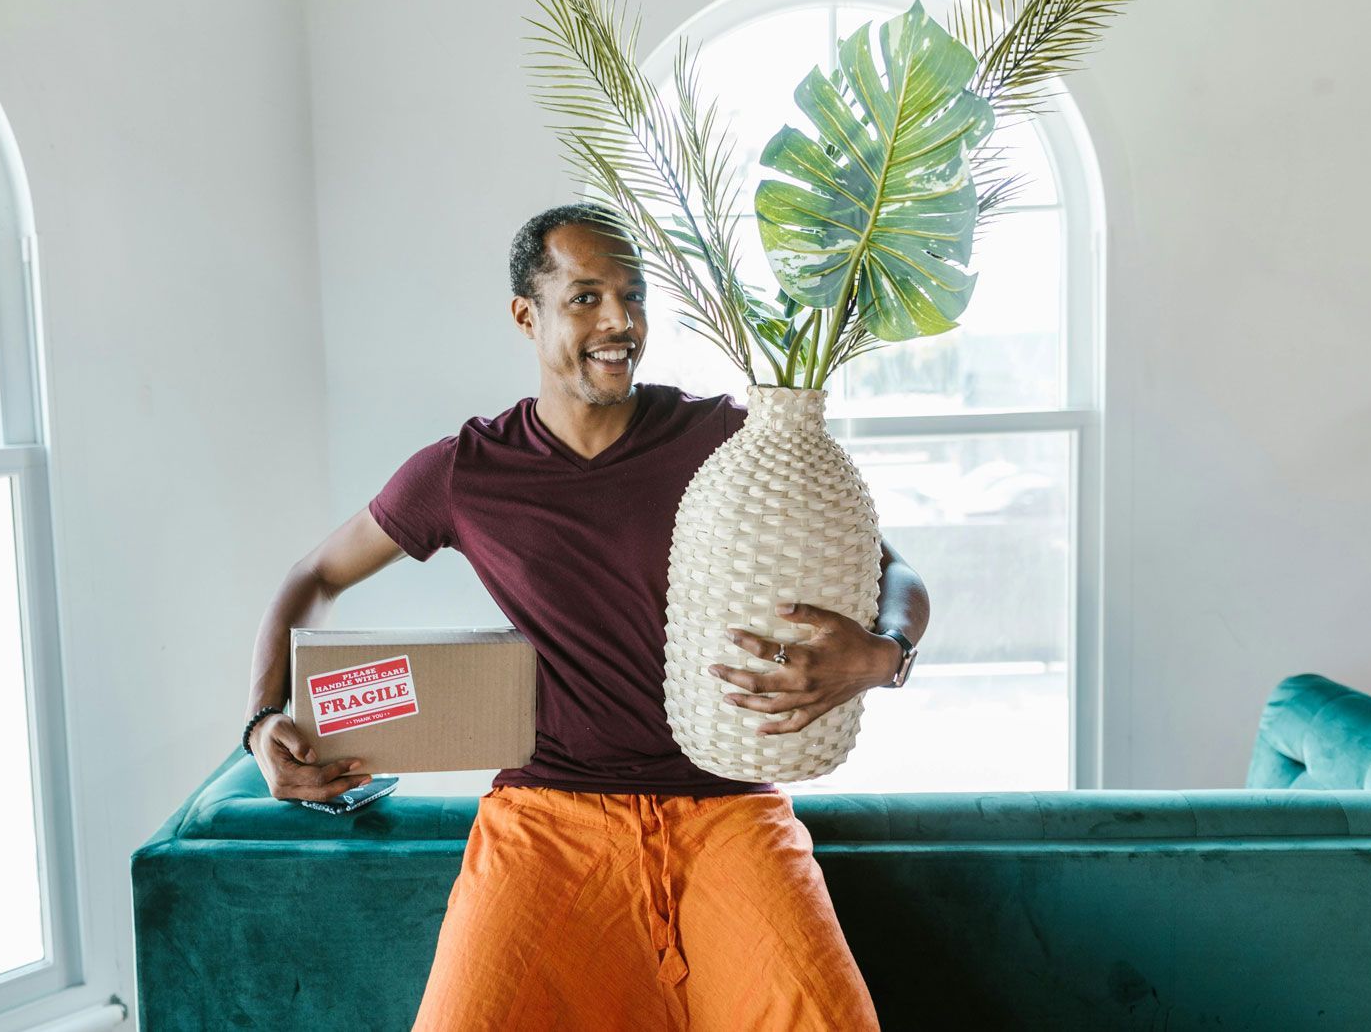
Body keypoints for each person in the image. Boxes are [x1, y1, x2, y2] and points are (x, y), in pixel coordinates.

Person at [243, 202, 930, 1030]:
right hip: (546, 814)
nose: (621, 322)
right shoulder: (466, 472)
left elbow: (893, 567)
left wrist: (883, 654)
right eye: (586, 297)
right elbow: (313, 574)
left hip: (729, 806)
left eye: (633, 296)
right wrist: (262, 718)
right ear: (525, 314)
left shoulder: (726, 438)